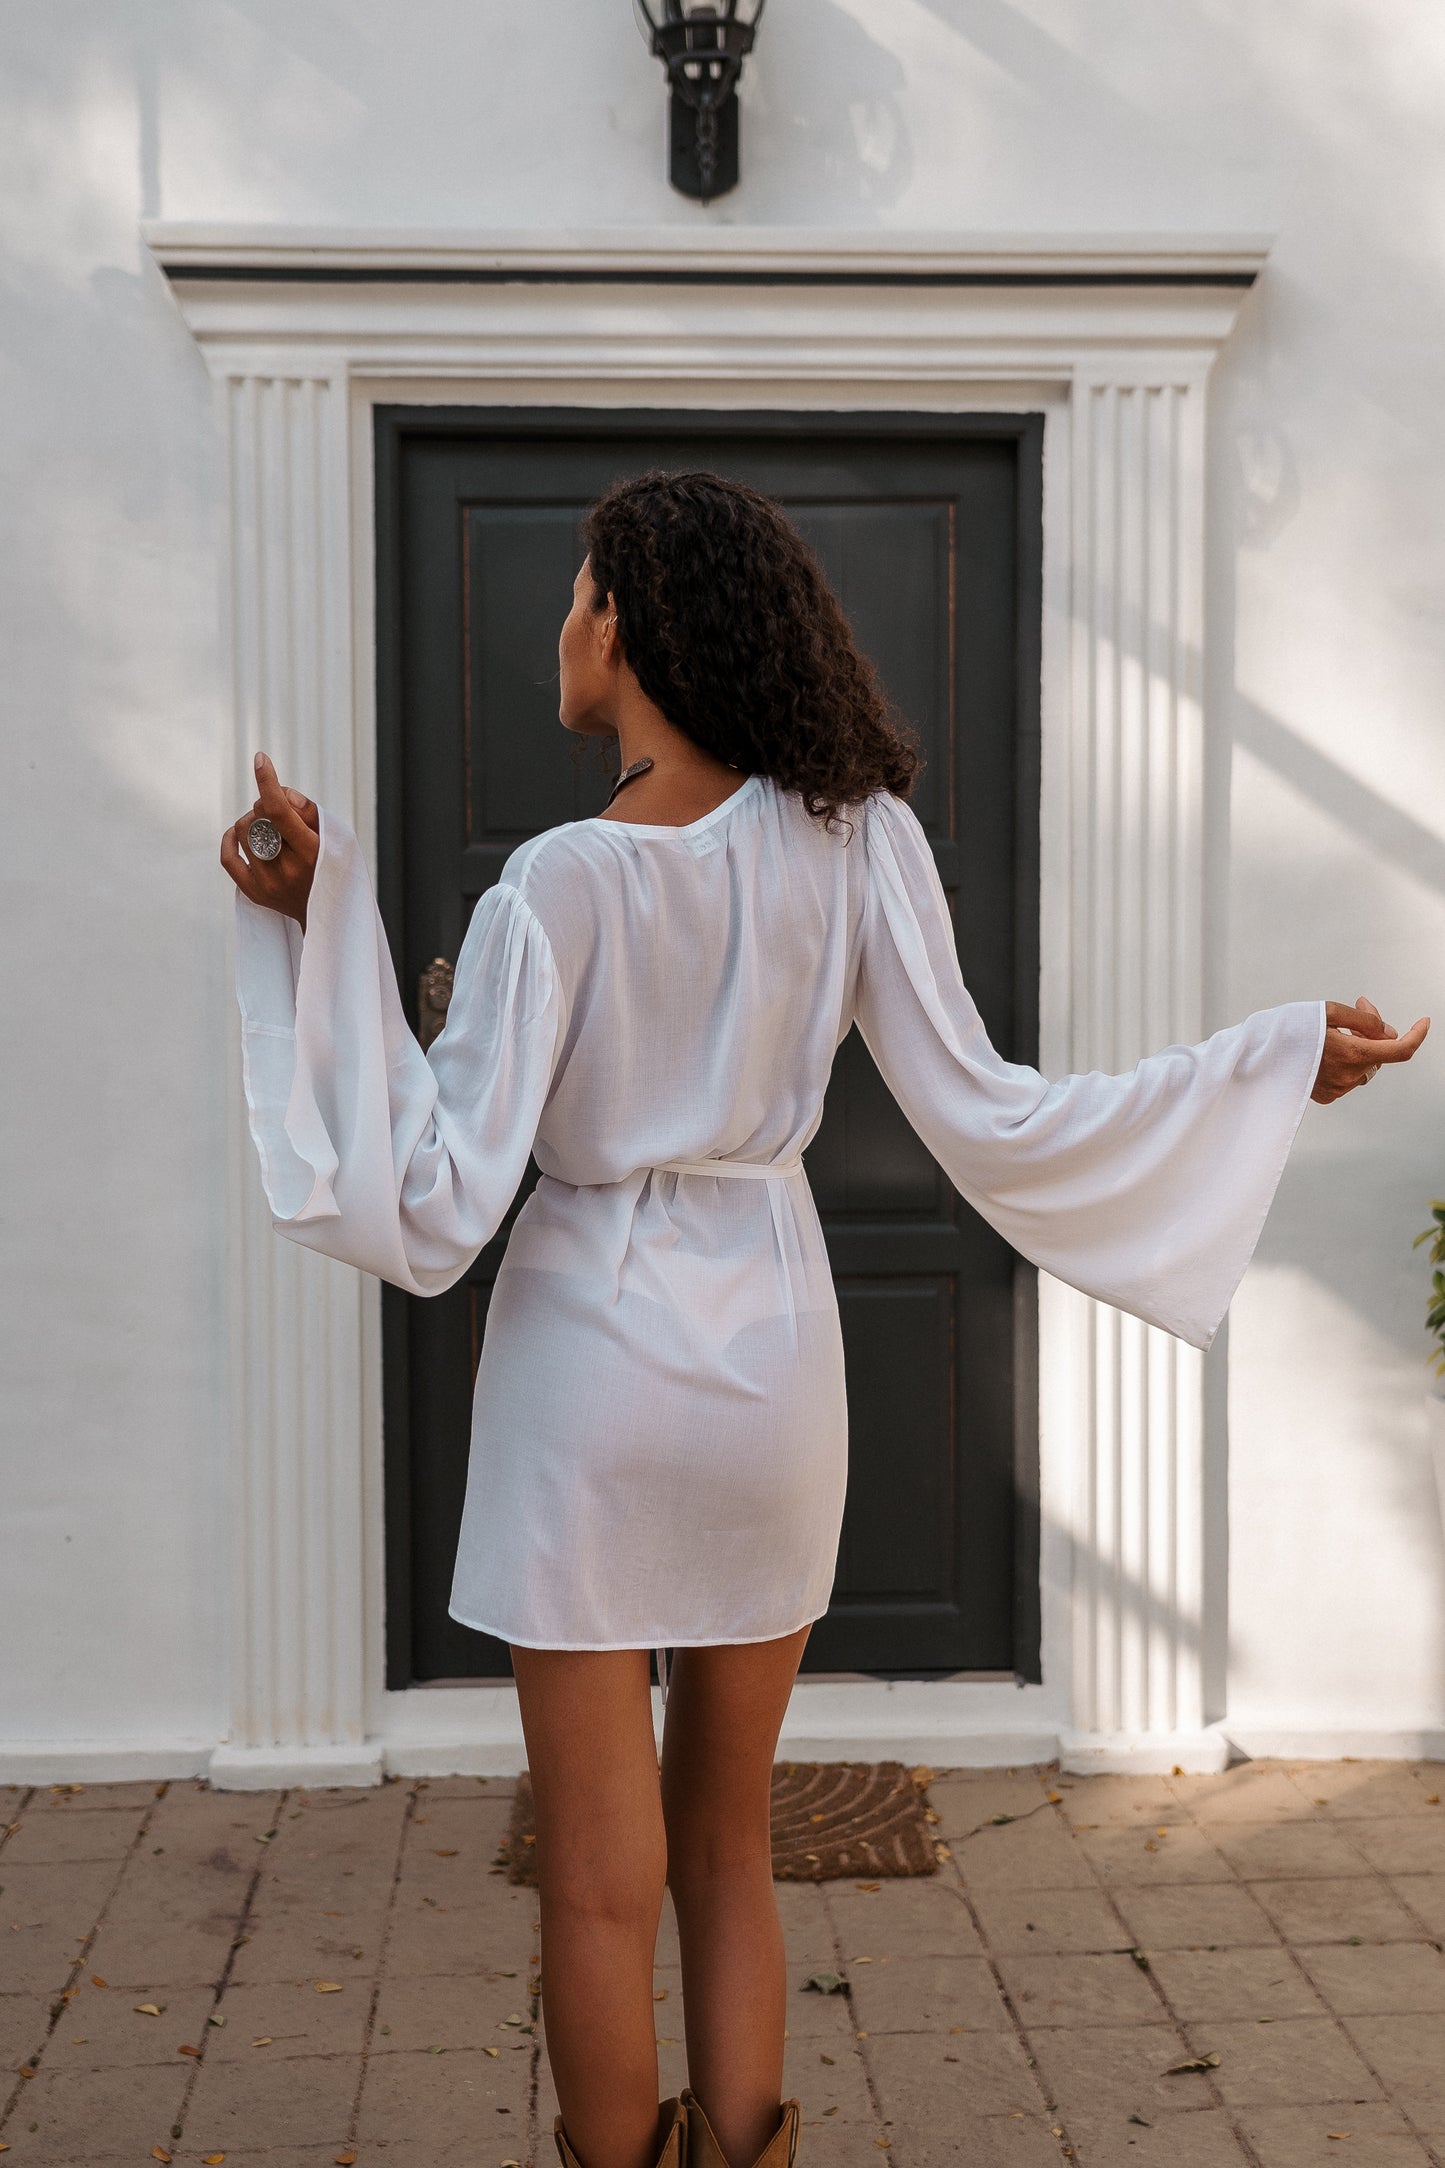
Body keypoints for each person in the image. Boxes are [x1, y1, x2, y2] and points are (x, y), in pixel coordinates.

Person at [220, 469, 1427, 2168]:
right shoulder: (853, 838)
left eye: (577, 595)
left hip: (587, 1365)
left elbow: (430, 1198)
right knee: (729, 1844)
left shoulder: (555, 886)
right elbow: (996, 1115)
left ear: (623, 624)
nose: (557, 628)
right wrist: (1263, 1057)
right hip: (772, 1367)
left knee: (593, 1872)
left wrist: (313, 928)